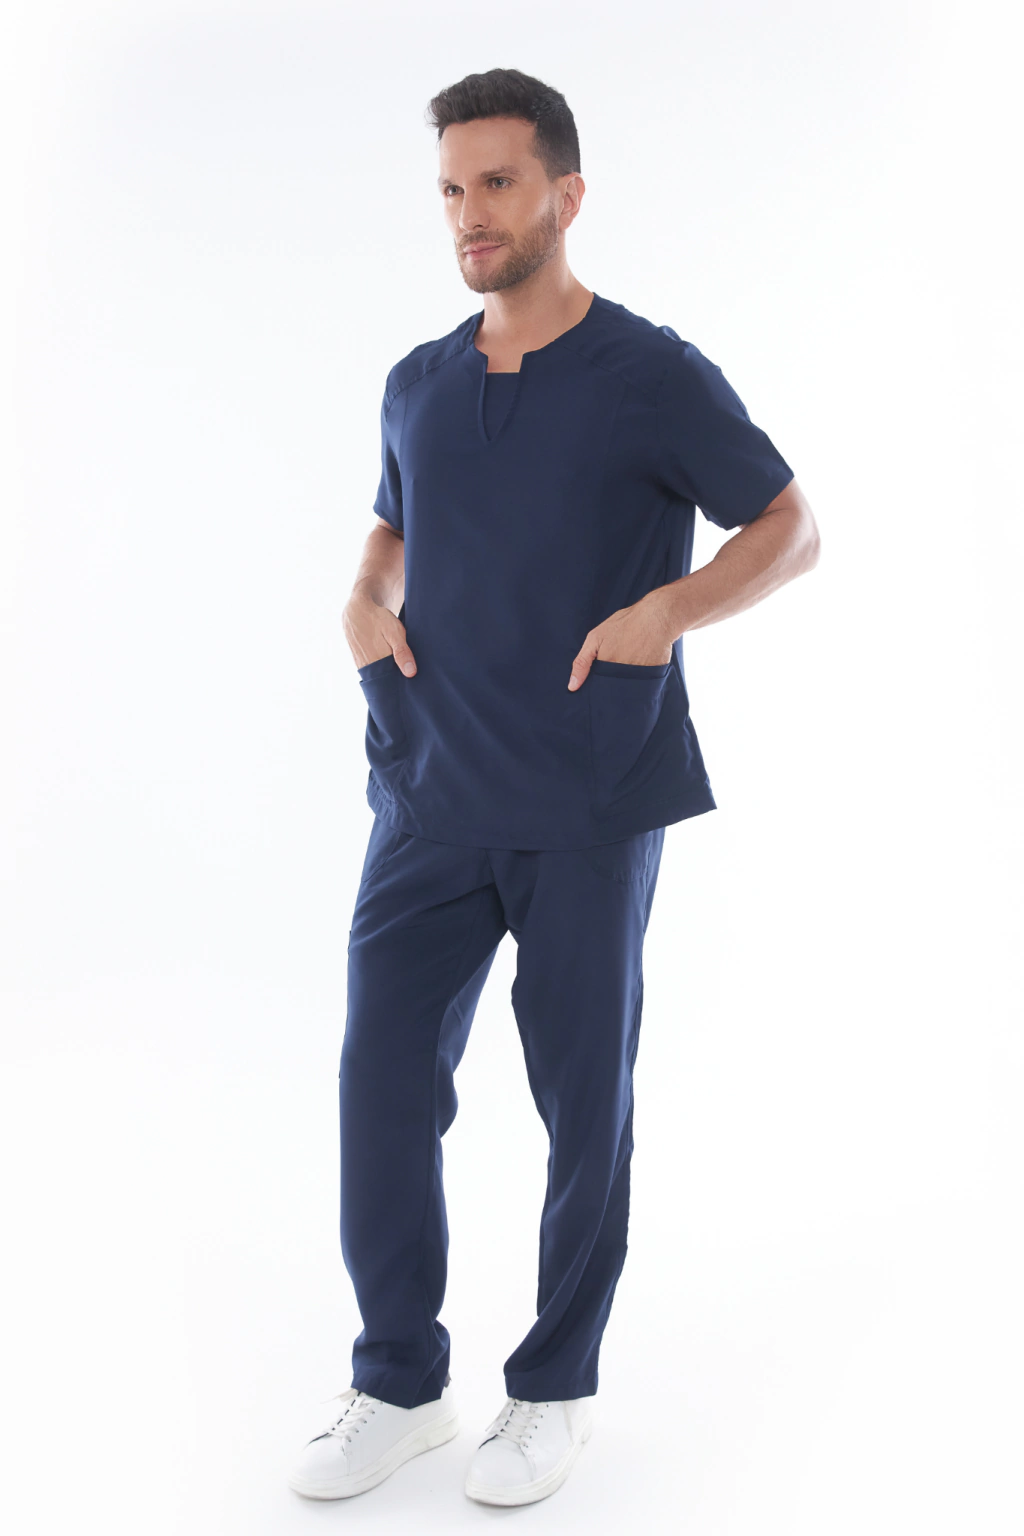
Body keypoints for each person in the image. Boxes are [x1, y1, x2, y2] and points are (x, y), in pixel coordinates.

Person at [287, 66, 819, 1508]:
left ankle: (553, 1390)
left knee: (584, 1103)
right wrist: (363, 598)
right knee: (379, 1082)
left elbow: (789, 525)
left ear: (566, 195)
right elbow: (392, 526)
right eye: (452, 190)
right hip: (428, 790)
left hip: (589, 794)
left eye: (498, 183)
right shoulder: (418, 381)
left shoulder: (650, 374)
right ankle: (400, 1383)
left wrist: (668, 614)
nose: (471, 214)